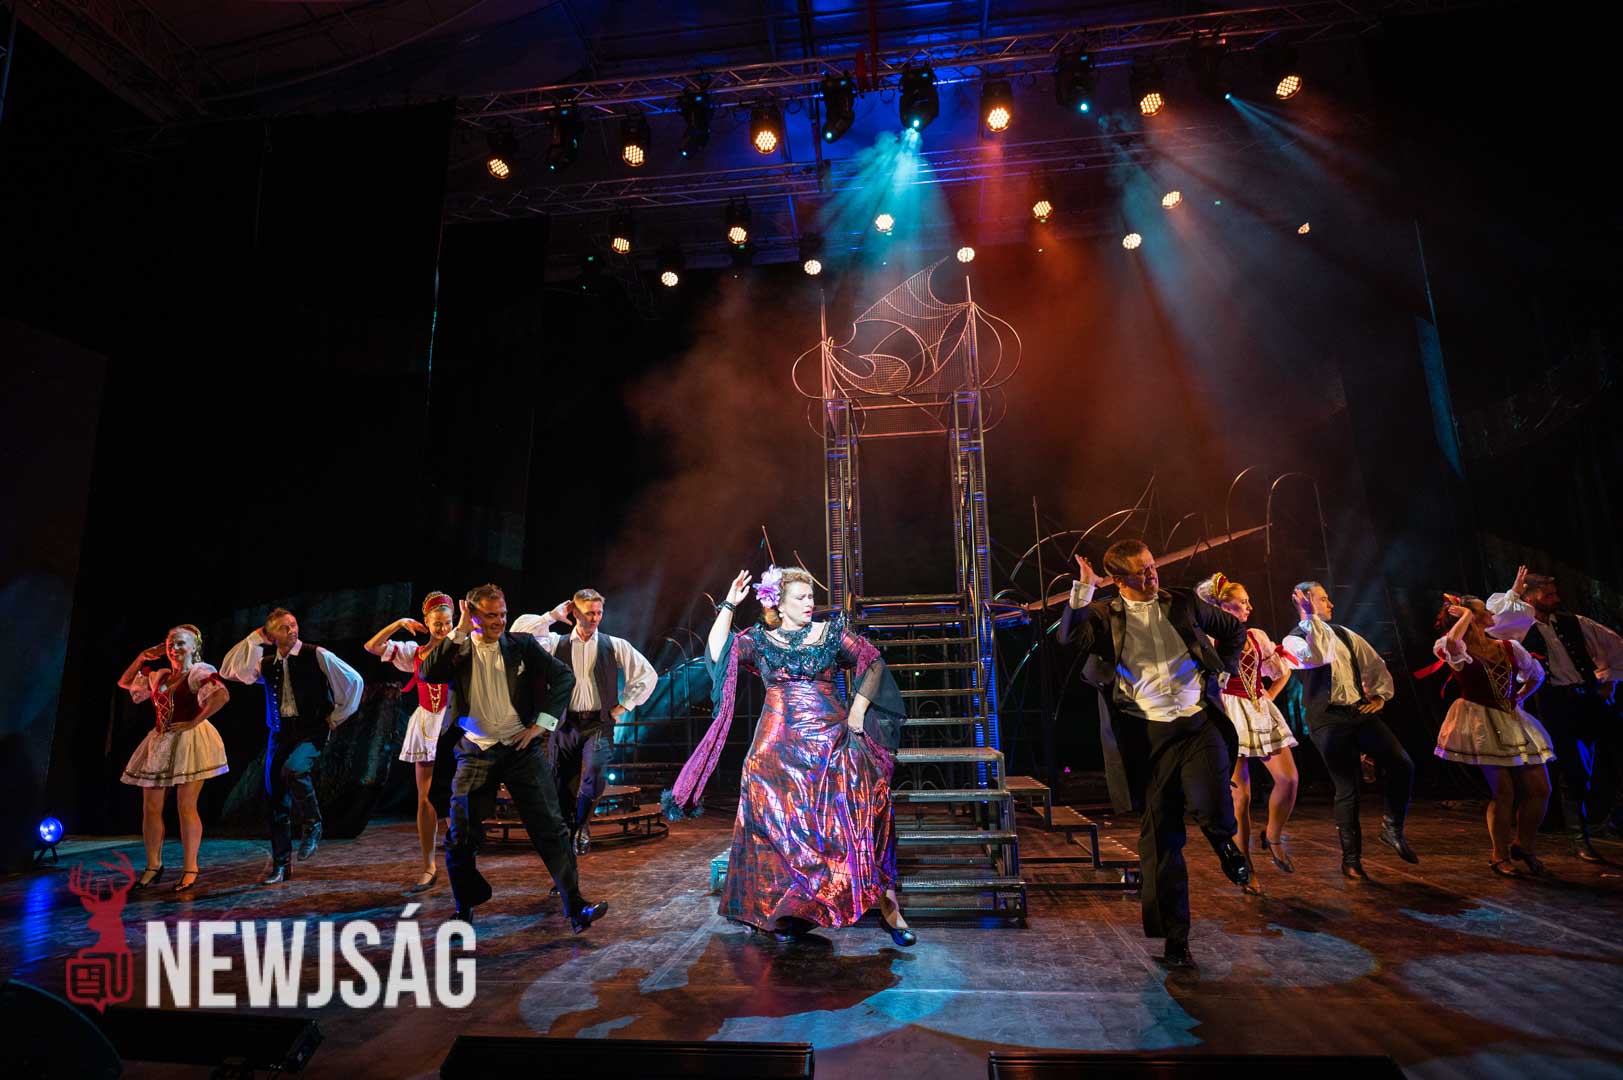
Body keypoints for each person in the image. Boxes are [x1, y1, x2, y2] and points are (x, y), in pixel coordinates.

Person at [668, 565, 912, 945]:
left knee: (871, 799)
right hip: (777, 746)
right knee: (773, 819)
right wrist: (730, 604)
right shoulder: (760, 641)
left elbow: (873, 662)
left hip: (830, 738)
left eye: (811, 596)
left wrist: (858, 710)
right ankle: (784, 910)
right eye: (801, 597)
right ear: (779, 605)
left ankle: (890, 908)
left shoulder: (829, 634)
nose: (810, 602)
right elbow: (717, 653)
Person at [1057, 540, 1250, 969]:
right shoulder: (1104, 615)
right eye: (1141, 572)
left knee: (1210, 801)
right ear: (1119, 580)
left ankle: (1226, 845)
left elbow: (1233, 629)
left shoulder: (1183, 602)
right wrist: (1083, 589)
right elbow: (1068, 637)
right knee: (1161, 841)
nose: (1152, 576)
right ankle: (1176, 941)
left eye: (1151, 567)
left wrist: (1224, 669)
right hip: (1148, 736)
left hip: (1198, 721)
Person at [418, 584, 606, 930]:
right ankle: (464, 908)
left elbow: (563, 677)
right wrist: (458, 631)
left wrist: (540, 725)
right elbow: (427, 673)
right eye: (491, 615)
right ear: (472, 615)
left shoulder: (521, 645)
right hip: (476, 751)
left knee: (551, 827)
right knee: (460, 834)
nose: (499, 621)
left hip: (521, 750)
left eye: (503, 614)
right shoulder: (457, 649)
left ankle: (576, 906)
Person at [1487, 566, 1623, 861]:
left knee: (1611, 754)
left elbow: (1614, 644)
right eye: (1547, 595)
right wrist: (1514, 592)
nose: (1555, 599)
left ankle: (1611, 819)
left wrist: (1608, 678)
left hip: (1587, 696)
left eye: (1554, 593)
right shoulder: (1519, 628)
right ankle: (1579, 839)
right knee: (1573, 768)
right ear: (1530, 597)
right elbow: (1495, 621)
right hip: (1551, 703)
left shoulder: (1572, 622)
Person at [221, 608, 364, 884]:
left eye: (294, 624)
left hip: (311, 730)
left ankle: (313, 823)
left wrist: (335, 717)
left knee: (295, 769)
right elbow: (229, 671)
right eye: (284, 628)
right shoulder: (266, 664)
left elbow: (354, 681)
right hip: (279, 734)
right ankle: (281, 865)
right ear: (272, 635)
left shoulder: (315, 654)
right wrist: (253, 639)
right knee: (275, 799)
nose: (292, 630)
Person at [1282, 582, 1413, 880]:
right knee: (1347, 786)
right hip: (1326, 719)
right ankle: (1351, 860)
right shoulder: (1293, 640)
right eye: (1323, 599)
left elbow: (1374, 663)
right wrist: (1309, 617)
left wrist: (1379, 696)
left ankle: (1392, 828)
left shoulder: (1344, 634)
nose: (1330, 604)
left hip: (1356, 712)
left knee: (1402, 763)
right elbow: (1318, 656)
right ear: (1304, 602)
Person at [512, 589, 657, 854]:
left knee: (596, 771)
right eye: (589, 613)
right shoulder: (555, 643)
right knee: (562, 782)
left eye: (599, 613)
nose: (595, 618)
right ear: (575, 612)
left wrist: (625, 704)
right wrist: (551, 616)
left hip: (598, 722)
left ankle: (583, 825)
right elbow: (518, 634)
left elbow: (647, 674)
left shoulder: (614, 645)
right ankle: (568, 837)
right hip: (564, 724)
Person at [1429, 595, 1554, 877]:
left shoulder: (1508, 647)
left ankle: (1524, 845)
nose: (1490, 613)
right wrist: (1465, 616)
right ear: (1471, 618)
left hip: (1511, 719)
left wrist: (1518, 697)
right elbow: (1452, 644)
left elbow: (1535, 676)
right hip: (1481, 721)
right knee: (1504, 792)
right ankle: (1499, 855)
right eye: (1483, 610)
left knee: (1540, 789)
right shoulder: (1454, 647)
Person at [1196, 573, 1300, 887]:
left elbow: (1281, 672)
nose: (1249, 607)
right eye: (1242, 602)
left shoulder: (1256, 636)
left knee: (1289, 779)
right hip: (1227, 713)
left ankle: (1273, 835)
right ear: (1223, 607)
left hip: (1258, 709)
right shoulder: (1208, 639)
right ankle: (1246, 868)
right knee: (1240, 797)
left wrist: (1269, 696)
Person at [117, 624, 231, 893]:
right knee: (151, 808)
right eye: (170, 644)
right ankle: (153, 865)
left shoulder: (199, 672)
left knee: (186, 806)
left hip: (190, 742)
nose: (174, 648)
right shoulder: (160, 676)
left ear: (194, 647)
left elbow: (222, 695)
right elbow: (125, 682)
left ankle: (190, 867)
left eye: (181, 643)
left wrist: (194, 722)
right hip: (161, 741)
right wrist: (143, 657)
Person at [365, 591, 458, 893]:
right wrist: (399, 623)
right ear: (427, 623)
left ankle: (459, 857)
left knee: (456, 796)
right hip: (427, 725)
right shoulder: (414, 653)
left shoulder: (461, 649)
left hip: (455, 724)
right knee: (425, 798)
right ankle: (429, 866)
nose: (442, 628)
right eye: (437, 623)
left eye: (447, 623)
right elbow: (372, 646)